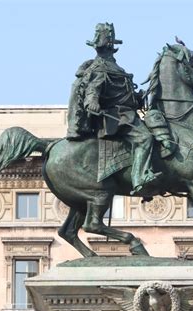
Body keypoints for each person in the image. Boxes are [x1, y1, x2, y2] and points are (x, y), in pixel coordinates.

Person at [66, 22, 162, 195]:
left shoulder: (114, 67)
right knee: (145, 138)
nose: (104, 50)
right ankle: (140, 178)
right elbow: (93, 89)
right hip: (116, 117)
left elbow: (122, 94)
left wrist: (138, 98)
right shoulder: (100, 67)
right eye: (104, 46)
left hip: (126, 112)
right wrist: (92, 102)